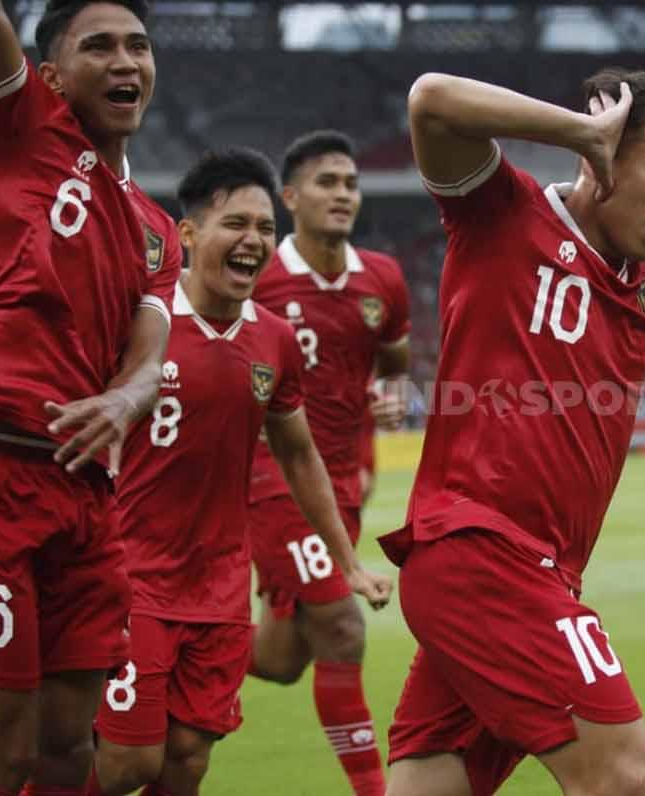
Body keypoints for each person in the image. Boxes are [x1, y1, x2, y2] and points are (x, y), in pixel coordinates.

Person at [377, 69, 645, 796]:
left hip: (535, 568)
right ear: (603, 157)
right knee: (619, 770)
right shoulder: (500, 213)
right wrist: (579, 129)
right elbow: (429, 99)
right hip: (482, 553)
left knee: (434, 784)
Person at [0, 1, 181, 793]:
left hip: (88, 498)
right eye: (99, 46)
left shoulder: (158, 230)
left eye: (139, 45)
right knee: (5, 761)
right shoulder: (21, 126)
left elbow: (149, 350)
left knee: (72, 755)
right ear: (52, 76)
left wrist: (130, 401)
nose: (126, 61)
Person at [88, 148, 392, 796]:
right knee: (125, 766)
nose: (253, 240)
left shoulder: (273, 339)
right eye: (236, 225)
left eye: (263, 229)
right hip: (131, 573)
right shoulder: (138, 322)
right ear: (189, 234)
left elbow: (299, 454)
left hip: (222, 585)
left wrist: (348, 561)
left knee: (188, 760)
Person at [245, 130, 411, 796]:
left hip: (338, 484)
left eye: (350, 182)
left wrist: (390, 397)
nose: (342, 194)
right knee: (343, 627)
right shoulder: (256, 275)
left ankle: (148, 640)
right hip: (268, 475)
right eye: (326, 182)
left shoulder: (383, 280)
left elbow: (396, 366)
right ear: (290, 197)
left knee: (285, 659)